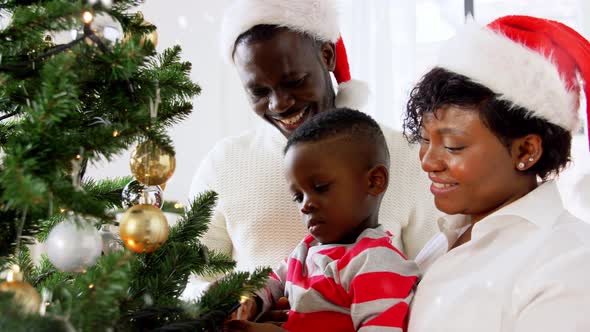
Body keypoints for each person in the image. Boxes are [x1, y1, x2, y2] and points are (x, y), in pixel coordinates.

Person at [184, 0, 439, 299]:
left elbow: (435, 285)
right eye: (259, 92)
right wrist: (228, 302)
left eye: (294, 81)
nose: (279, 104)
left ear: (327, 55)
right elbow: (187, 281)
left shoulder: (406, 157)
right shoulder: (224, 164)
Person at [403, 15, 590, 331]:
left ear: (526, 151)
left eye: (453, 145)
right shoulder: (450, 235)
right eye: (424, 139)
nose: (428, 161)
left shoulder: (568, 262)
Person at [226, 108, 418, 332]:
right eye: (298, 197)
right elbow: (272, 282)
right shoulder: (305, 251)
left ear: (374, 182)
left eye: (320, 188)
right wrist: (251, 301)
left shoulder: (377, 263)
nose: (306, 205)